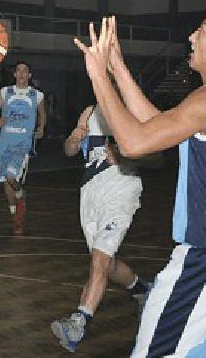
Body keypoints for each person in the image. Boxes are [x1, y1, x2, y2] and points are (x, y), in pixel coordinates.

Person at [73, 12, 206, 357]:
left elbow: (132, 143)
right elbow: (157, 125)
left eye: (201, 31)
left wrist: (97, 74)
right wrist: (117, 68)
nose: (190, 37)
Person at [50, 102, 151, 352]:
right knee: (106, 261)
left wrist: (123, 152)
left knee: (99, 259)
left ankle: (78, 322)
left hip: (120, 186)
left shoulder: (133, 109)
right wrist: (73, 140)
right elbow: (70, 151)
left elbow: (156, 156)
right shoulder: (89, 111)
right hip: (90, 190)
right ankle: (141, 288)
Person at [0, 60, 45, 234]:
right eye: (18, 70)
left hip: (23, 143)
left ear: (29, 75)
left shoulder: (37, 95)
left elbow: (43, 114)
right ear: (14, 74)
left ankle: (20, 196)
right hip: (5, 143)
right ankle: (16, 217)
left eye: (25, 71)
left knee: (12, 177)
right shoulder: (5, 92)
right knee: (6, 184)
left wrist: (41, 128)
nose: (21, 74)